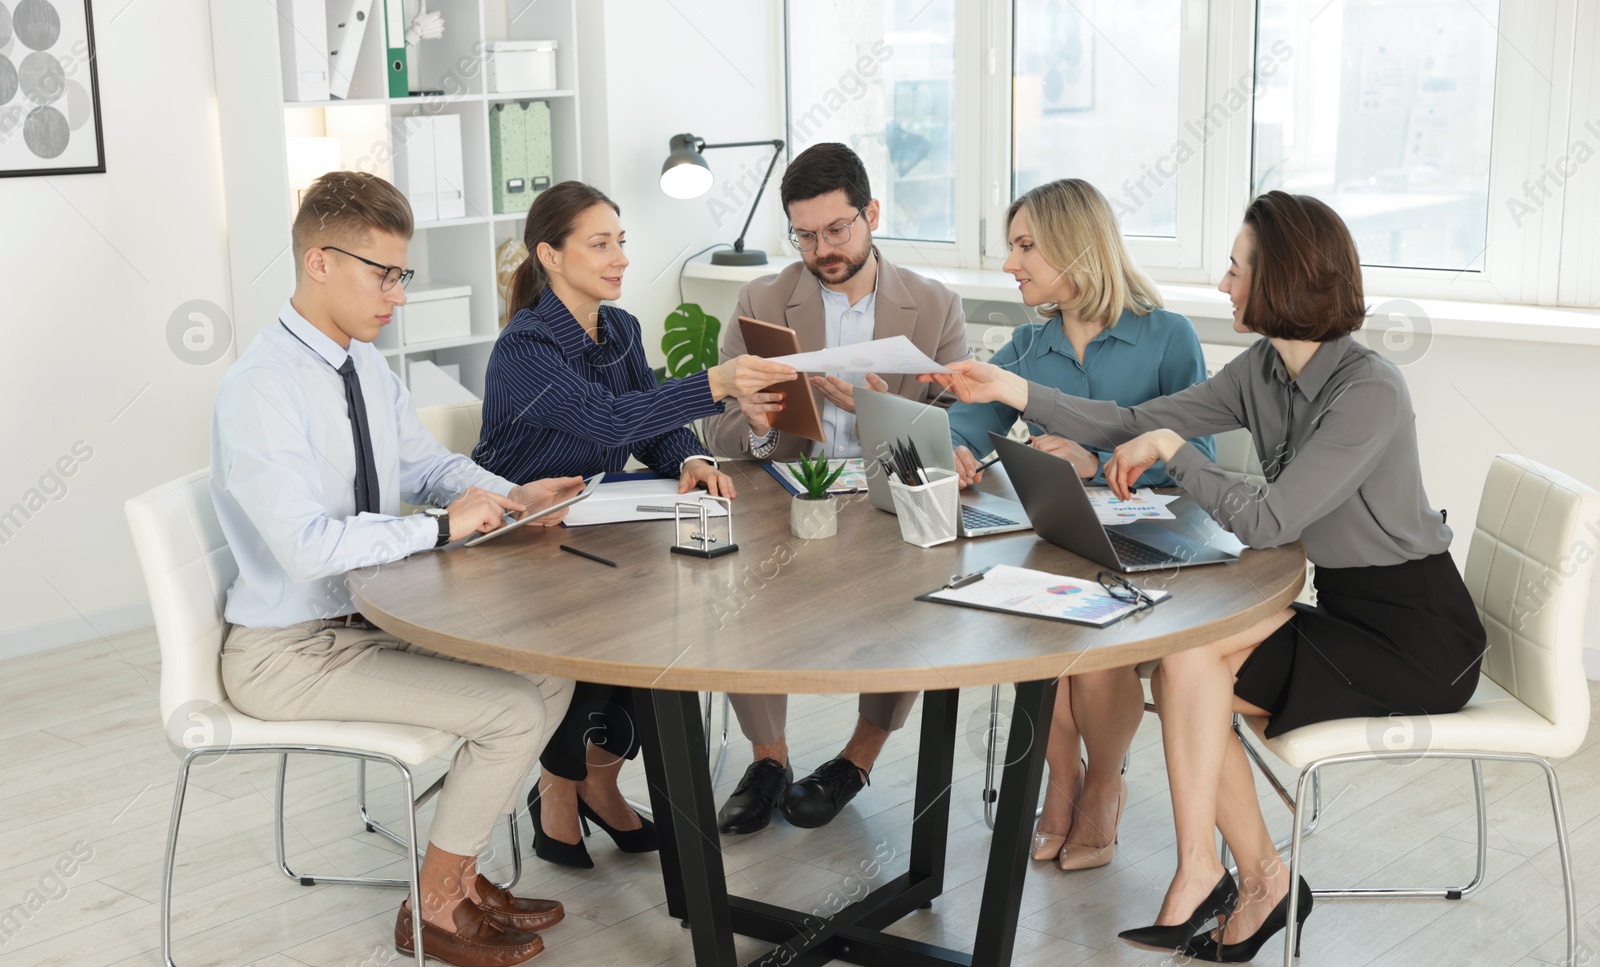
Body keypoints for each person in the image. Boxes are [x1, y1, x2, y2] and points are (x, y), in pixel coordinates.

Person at [924, 190, 1487, 962]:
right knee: (1188, 652)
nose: (1224, 284)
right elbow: (1135, 420)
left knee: (1193, 659)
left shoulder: (1369, 390)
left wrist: (1175, 454)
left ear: (1281, 278)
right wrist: (1012, 390)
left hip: (1418, 635)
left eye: (1235, 267)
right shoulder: (1262, 370)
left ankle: (1249, 877)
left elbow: (1267, 519)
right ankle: (1218, 871)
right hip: (1347, 608)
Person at [213, 171, 584, 967]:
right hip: (288, 652)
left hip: (364, 623)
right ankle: (437, 907)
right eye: (382, 274)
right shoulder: (261, 390)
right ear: (319, 262)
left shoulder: (364, 369)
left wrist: (506, 497)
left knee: (549, 676)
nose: (398, 295)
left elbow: (429, 465)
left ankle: (463, 875)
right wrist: (438, 528)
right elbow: (308, 548)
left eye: (400, 274)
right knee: (514, 711)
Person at [473, 180, 797, 868]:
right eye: (600, 244)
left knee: (659, 618)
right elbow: (606, 421)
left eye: (621, 241)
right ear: (551, 256)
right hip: (514, 545)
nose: (619, 257)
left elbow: (650, 424)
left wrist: (693, 458)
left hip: (590, 530)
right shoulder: (525, 348)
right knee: (610, 624)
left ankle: (599, 780)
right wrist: (716, 381)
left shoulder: (619, 329)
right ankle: (563, 790)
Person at [701, 142, 969, 835]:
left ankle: (856, 757)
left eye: (837, 230)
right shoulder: (763, 299)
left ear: (871, 213)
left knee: (917, 602)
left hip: (889, 505)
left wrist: (872, 411)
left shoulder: (935, 307)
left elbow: (955, 437)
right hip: (786, 501)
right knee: (736, 590)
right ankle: (769, 759)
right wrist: (757, 424)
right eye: (805, 235)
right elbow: (719, 429)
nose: (822, 248)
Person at [947, 178, 1213, 871]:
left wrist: (1097, 463)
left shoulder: (1166, 337)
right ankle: (1059, 783)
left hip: (1148, 549)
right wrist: (952, 447)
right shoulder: (1029, 348)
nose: (1012, 264)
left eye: (1026, 245)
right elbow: (967, 424)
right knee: (1045, 653)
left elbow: (1200, 459)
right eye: (1012, 247)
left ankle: (1100, 783)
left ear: (1076, 246)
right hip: (1058, 545)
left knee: (1089, 666)